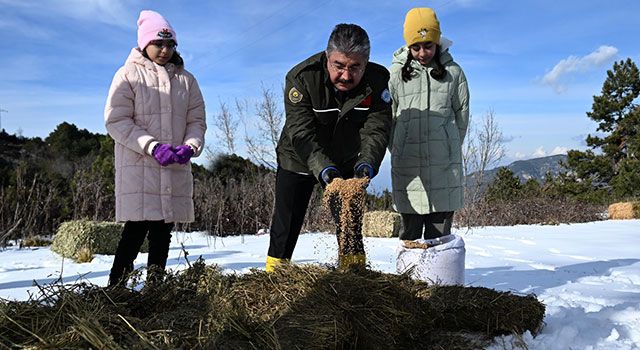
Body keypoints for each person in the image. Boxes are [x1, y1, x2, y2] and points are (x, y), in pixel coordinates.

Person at [266, 24, 392, 272]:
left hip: (346, 159)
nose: (346, 76)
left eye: (355, 67)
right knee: (286, 225)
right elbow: (301, 132)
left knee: (350, 223)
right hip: (299, 157)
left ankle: (354, 275)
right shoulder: (301, 77)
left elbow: (376, 129)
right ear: (327, 58)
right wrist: (325, 170)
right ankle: (273, 277)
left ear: (366, 63)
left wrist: (366, 164)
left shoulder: (378, 81)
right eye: (339, 66)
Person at [104, 10, 206, 287]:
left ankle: (156, 289)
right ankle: (116, 289)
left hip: (173, 167)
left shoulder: (187, 81)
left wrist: (190, 146)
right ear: (144, 44)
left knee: (163, 231)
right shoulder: (128, 74)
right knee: (135, 231)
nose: (164, 50)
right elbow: (116, 120)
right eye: (158, 44)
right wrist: (151, 146)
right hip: (140, 168)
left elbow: (196, 121)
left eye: (170, 44)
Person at [388, 8, 469, 241]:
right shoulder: (394, 75)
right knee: (409, 240)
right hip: (408, 168)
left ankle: (440, 279)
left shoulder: (454, 73)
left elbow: (462, 115)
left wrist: (448, 144)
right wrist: (399, 147)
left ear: (437, 42)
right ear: (408, 45)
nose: (422, 53)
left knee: (440, 241)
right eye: (416, 47)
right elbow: (388, 118)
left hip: (444, 168)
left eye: (428, 45)